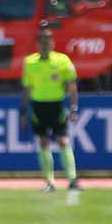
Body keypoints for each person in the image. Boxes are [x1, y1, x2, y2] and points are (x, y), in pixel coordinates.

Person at [21, 28, 81, 192]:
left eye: (48, 41)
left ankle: (73, 179)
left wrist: (74, 107)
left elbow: (72, 86)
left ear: (53, 43)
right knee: (43, 142)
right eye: (42, 41)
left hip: (56, 105)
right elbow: (27, 88)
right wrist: (23, 111)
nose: (45, 44)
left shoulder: (62, 61)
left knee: (63, 140)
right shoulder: (30, 63)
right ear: (37, 44)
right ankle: (49, 181)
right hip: (38, 106)